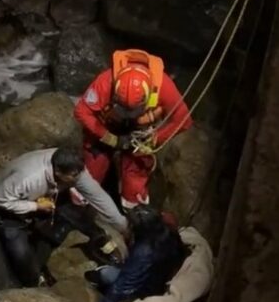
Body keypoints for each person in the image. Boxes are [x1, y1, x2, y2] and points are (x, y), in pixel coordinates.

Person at [0, 146, 127, 287]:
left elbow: (96, 195)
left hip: (47, 195)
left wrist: (121, 223)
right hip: (8, 206)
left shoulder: (72, 167)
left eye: (79, 172)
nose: (78, 177)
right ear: (58, 171)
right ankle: (34, 281)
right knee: (20, 251)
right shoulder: (28, 178)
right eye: (73, 175)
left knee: (75, 214)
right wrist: (35, 206)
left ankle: (101, 240)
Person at [74, 48, 193, 210]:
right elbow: (82, 111)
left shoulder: (163, 86)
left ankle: (134, 211)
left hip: (140, 133)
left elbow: (183, 120)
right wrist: (108, 137)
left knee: (135, 175)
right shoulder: (106, 81)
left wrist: (155, 138)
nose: (129, 114)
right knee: (92, 169)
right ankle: (80, 206)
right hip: (107, 125)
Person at [85, 205, 188, 302]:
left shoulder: (144, 251)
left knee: (104, 274)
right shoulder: (168, 234)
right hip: (158, 279)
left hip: (145, 289)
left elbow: (124, 284)